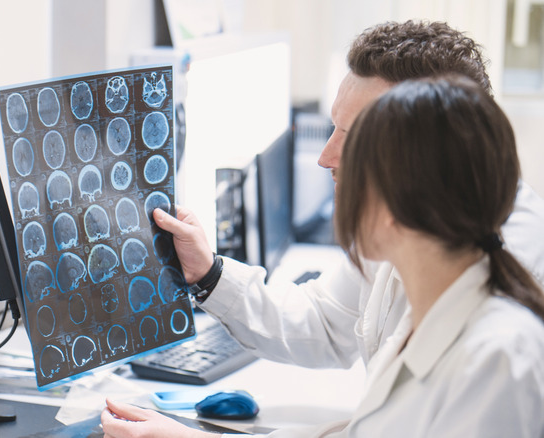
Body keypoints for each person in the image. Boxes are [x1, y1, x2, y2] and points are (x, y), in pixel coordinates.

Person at [100, 19, 544, 436]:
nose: (325, 157)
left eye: (350, 137)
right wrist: (208, 273)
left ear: (418, 170)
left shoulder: (499, 354)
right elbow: (328, 323)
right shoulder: (425, 247)